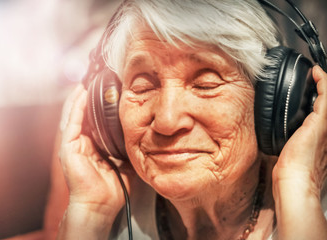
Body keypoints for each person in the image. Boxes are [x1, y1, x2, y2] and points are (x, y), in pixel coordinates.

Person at [55, 0, 327, 239]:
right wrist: (91, 213)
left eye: (206, 83)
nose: (167, 120)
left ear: (273, 100)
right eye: (142, 86)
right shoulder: (111, 207)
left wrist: (299, 192)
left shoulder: (312, 205)